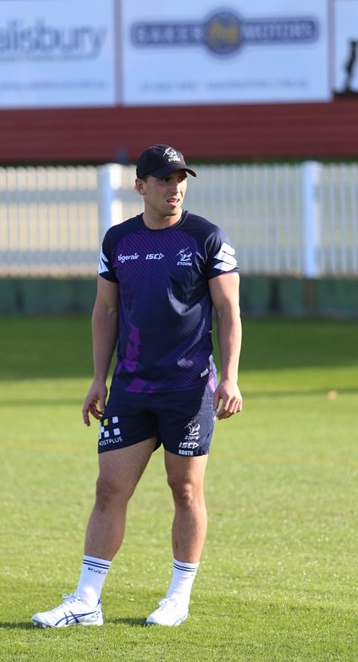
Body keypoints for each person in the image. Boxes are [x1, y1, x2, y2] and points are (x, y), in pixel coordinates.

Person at [32, 144, 242, 628]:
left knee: (184, 489)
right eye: (164, 179)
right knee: (109, 488)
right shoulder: (118, 240)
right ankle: (86, 601)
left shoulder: (206, 237)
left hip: (188, 387)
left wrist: (230, 377)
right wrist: (97, 378)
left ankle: (178, 597)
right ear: (140, 186)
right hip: (131, 388)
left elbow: (228, 309)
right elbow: (105, 309)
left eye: (180, 179)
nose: (175, 188)